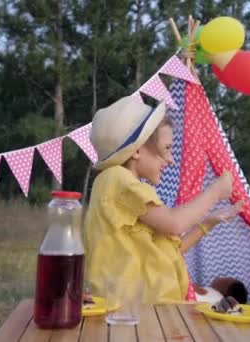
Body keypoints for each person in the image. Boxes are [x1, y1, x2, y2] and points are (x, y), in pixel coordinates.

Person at [85, 96, 241, 304]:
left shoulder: (127, 192)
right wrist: (214, 192)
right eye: (166, 148)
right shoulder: (116, 178)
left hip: (146, 308)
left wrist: (207, 223)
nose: (171, 159)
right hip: (130, 310)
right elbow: (174, 224)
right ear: (137, 149)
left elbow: (168, 251)